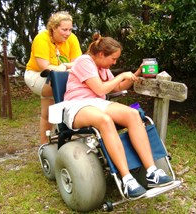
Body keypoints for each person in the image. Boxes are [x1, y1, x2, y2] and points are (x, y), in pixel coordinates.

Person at [62, 33, 173, 199]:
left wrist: (136, 73)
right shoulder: (84, 61)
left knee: (133, 115)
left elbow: (117, 87)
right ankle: (127, 179)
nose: (114, 62)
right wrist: (121, 74)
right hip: (77, 105)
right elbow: (100, 89)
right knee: (104, 120)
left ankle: (152, 172)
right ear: (101, 54)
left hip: (97, 103)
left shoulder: (103, 68)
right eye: (113, 59)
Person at [24, 11, 82, 144]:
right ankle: (53, 140)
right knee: (61, 91)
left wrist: (65, 67)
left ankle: (52, 141)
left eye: (70, 29)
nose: (68, 33)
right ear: (54, 28)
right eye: (64, 29)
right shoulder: (42, 38)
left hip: (61, 76)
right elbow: (44, 67)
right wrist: (65, 67)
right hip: (37, 75)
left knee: (48, 111)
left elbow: (77, 64)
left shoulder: (72, 39)